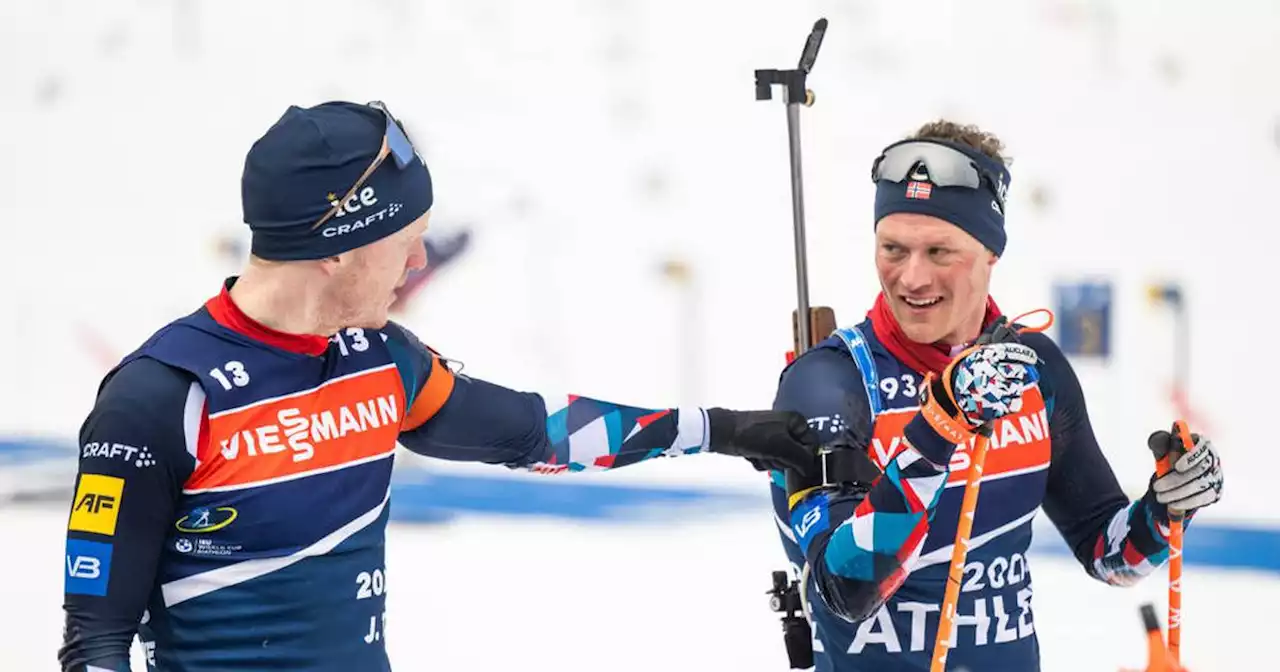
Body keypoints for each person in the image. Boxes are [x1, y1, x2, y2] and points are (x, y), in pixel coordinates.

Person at [58, 100, 821, 672]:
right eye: (405, 242)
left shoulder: (378, 360)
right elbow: (94, 647)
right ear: (336, 247)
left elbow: (535, 431)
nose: (419, 265)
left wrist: (724, 430)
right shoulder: (163, 396)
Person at [767, 120, 1225, 671]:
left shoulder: (1034, 370)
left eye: (940, 251)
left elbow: (1110, 556)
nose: (911, 277)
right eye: (893, 248)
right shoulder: (831, 383)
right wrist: (940, 427)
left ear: (991, 252)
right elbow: (846, 590)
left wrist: (1167, 506)